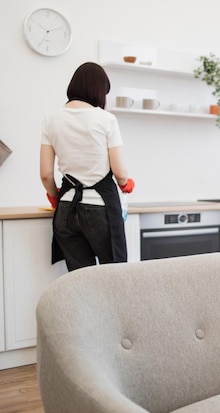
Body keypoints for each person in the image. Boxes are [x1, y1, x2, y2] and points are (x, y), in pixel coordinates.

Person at [40, 62, 135, 272]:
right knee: (114, 276)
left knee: (81, 281)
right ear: (99, 91)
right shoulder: (106, 119)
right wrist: (125, 183)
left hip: (66, 210)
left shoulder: (51, 119)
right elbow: (120, 172)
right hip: (100, 210)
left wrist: (54, 196)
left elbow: (46, 174)